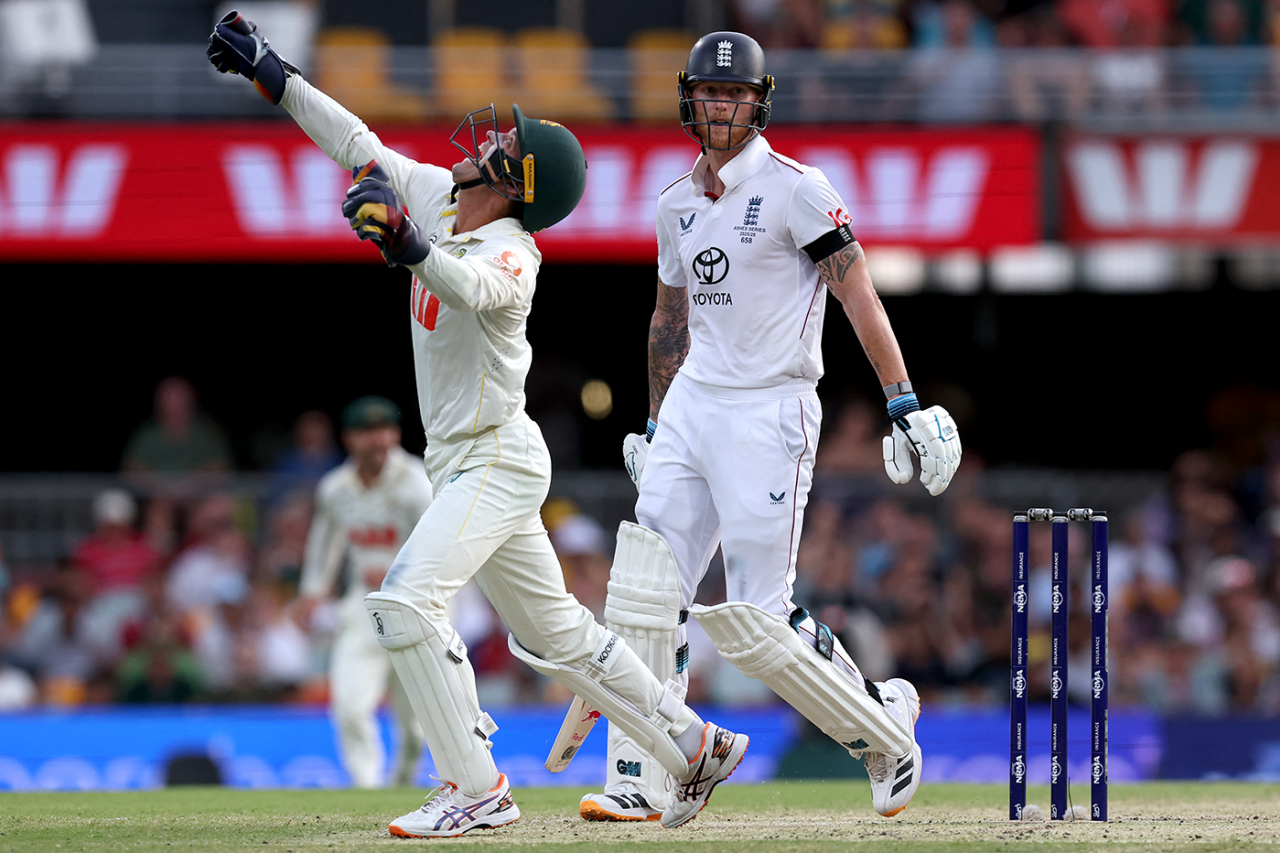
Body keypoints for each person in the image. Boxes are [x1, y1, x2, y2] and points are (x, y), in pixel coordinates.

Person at [207, 10, 748, 836]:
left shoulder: (514, 252)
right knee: (559, 633)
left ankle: (476, 786)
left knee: (403, 600)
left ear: (517, 182)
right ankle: (694, 741)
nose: (487, 139)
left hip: (495, 457)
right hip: (469, 459)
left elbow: (473, 289)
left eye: (504, 144)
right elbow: (357, 143)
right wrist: (271, 74)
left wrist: (408, 245)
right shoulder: (440, 198)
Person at [581, 31, 962, 823]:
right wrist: (654, 421)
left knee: (756, 620)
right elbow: (669, 319)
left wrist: (902, 400)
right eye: (710, 92)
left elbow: (858, 292)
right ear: (689, 99)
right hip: (693, 403)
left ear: (759, 104)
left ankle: (884, 729)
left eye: (736, 93)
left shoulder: (798, 189)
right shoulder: (675, 203)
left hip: (771, 406)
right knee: (646, 590)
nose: (721, 105)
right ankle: (649, 774)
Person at [294, 396, 434, 789]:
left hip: (418, 607)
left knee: (417, 727)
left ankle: (401, 785)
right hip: (363, 604)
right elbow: (325, 541)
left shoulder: (416, 482)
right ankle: (366, 790)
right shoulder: (336, 488)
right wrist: (312, 591)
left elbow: (438, 545)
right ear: (349, 439)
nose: (379, 440)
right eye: (368, 432)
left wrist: (407, 579)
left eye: (385, 430)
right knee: (350, 706)